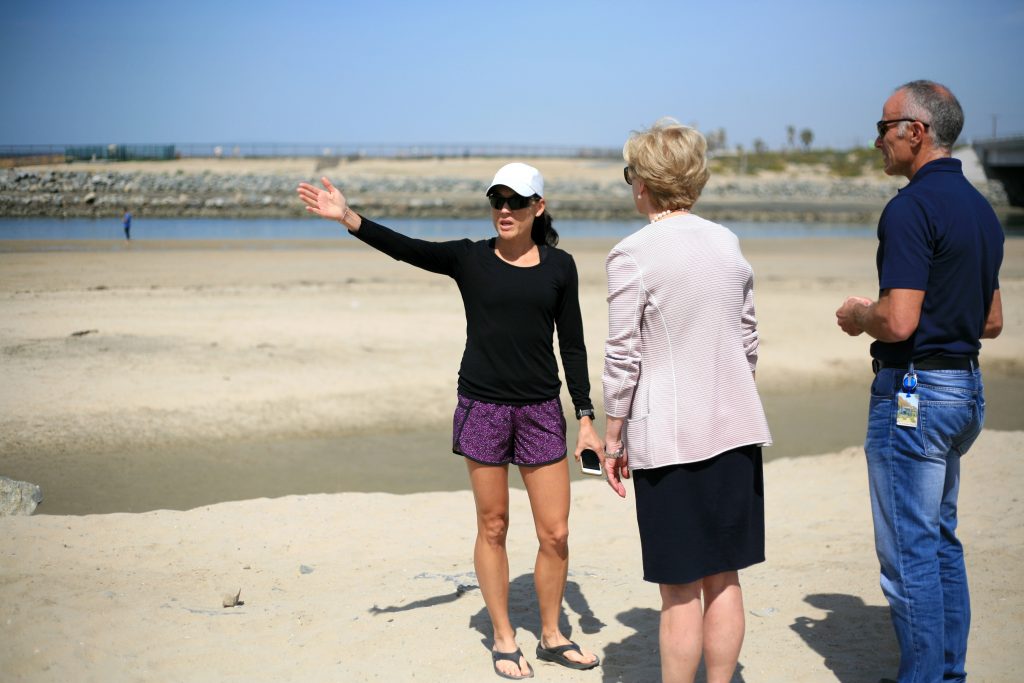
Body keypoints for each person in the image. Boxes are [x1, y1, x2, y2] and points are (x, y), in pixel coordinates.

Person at [297, 163, 601, 680]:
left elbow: (571, 344)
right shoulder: (469, 257)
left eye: (516, 201)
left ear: (538, 208)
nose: (504, 209)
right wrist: (348, 216)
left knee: (555, 533)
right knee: (494, 525)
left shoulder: (560, 267)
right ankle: (504, 638)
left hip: (541, 411)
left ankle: (551, 634)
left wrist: (587, 416)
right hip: (482, 405)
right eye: (496, 200)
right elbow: (408, 248)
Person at [835, 80, 1004, 683]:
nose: (877, 140)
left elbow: (899, 318)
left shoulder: (911, 208)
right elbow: (992, 319)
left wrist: (860, 316)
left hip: (917, 392)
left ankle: (927, 678)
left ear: (917, 131)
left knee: (909, 555)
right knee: (937, 541)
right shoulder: (981, 209)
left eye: (884, 128)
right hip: (964, 390)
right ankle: (947, 673)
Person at [600, 119, 772, 683]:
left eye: (631, 175)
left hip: (670, 438)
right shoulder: (726, 241)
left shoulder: (632, 254)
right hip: (735, 427)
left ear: (644, 183)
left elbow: (623, 357)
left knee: (679, 588)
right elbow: (747, 340)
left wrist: (613, 433)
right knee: (724, 575)